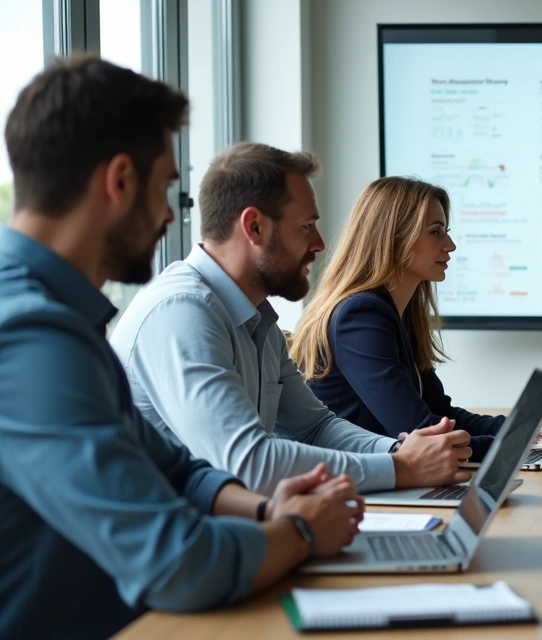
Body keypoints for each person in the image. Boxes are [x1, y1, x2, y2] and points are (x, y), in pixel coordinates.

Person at [0, 57, 363, 639]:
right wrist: (298, 533)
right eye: (167, 186)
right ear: (120, 181)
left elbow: (175, 471)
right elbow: (176, 562)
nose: (172, 213)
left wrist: (270, 511)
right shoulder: (30, 337)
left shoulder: (59, 319)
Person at [108, 143, 473, 494]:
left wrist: (397, 452)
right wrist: (401, 468)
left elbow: (316, 428)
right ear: (254, 228)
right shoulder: (182, 312)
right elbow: (247, 462)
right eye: (306, 226)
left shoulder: (256, 319)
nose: (319, 243)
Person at [291, 177, 506, 462]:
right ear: (394, 237)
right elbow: (420, 432)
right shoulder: (360, 317)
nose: (450, 245)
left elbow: (441, 415)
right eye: (436, 232)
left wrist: (519, 430)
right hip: (355, 485)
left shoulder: (397, 312)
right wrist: (510, 446)